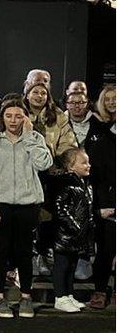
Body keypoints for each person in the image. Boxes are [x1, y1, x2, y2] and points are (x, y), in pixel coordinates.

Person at [0, 99, 54, 319]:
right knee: (0, 252)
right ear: (2, 117)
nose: (13, 120)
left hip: (28, 204)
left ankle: (26, 297)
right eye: (9, 115)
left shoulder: (35, 139)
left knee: (24, 253)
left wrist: (30, 137)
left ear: (26, 118)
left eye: (19, 116)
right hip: (0, 203)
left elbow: (44, 164)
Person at [51, 148, 95, 313]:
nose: (88, 165)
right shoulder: (66, 182)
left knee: (71, 265)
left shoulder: (85, 184)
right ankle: (59, 296)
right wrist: (74, 226)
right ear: (71, 166)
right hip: (65, 234)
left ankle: (68, 294)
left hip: (77, 235)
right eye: (83, 162)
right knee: (62, 265)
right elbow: (60, 208)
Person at [85, 113, 115, 309]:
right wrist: (105, 204)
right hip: (110, 207)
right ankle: (100, 290)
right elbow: (98, 177)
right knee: (106, 251)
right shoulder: (104, 141)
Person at [24, 82, 77, 166]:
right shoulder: (18, 116)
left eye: (43, 93)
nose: (39, 96)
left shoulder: (59, 118)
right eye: (35, 92)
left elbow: (68, 145)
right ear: (27, 96)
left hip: (51, 168)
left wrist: (56, 164)